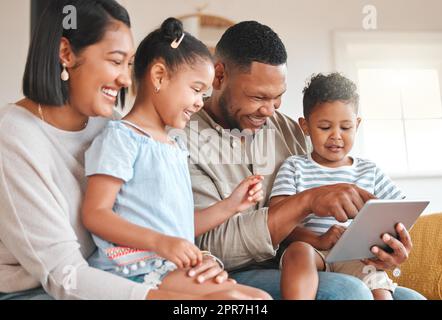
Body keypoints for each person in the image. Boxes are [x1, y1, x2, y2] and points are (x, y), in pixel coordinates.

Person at [0, 0, 242, 300]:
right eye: (116, 61)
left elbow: (159, 221)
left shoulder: (109, 123)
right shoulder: (13, 138)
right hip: (41, 289)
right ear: (66, 53)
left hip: (113, 274)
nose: (127, 79)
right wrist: (175, 298)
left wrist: (201, 264)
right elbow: (64, 276)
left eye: (129, 64)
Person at [185, 21, 425, 300]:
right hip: (233, 271)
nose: (268, 111)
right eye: (258, 97)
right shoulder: (184, 137)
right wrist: (308, 201)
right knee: (350, 293)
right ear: (218, 76)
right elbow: (211, 246)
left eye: (277, 98)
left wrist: (382, 247)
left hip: (309, 263)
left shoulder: (286, 129)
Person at [81, 17, 270, 300]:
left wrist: (231, 205)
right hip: (131, 269)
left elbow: (179, 226)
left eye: (204, 93)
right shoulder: (121, 138)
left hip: (168, 264)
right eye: (195, 89)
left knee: (260, 299)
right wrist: (161, 242)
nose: (199, 102)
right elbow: (95, 214)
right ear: (159, 76)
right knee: (239, 301)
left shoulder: (175, 145)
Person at [270, 73, 407, 300]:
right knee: (298, 251)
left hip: (355, 255)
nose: (336, 136)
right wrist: (318, 240)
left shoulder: (369, 171)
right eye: (324, 127)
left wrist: (392, 242)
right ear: (305, 126)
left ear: (357, 124)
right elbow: (277, 220)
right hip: (311, 249)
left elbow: (399, 211)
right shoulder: (294, 167)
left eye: (345, 127)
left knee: (380, 287)